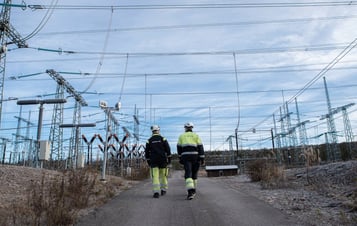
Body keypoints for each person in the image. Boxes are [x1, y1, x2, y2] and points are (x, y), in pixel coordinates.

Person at [177, 122, 205, 200]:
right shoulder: (196, 136)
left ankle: (190, 191)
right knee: (194, 174)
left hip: (186, 157)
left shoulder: (181, 136)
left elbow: (179, 148)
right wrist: (202, 158)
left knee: (188, 173)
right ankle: (194, 190)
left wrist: (180, 158)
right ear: (192, 128)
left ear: (185, 128)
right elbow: (200, 147)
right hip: (195, 156)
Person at [145, 125, 172, 198]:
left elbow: (146, 152)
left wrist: (148, 161)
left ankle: (156, 192)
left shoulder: (149, 140)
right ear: (158, 130)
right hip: (163, 160)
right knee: (163, 176)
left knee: (155, 177)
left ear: (152, 131)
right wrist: (169, 160)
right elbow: (168, 149)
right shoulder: (163, 139)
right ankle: (163, 190)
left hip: (153, 161)